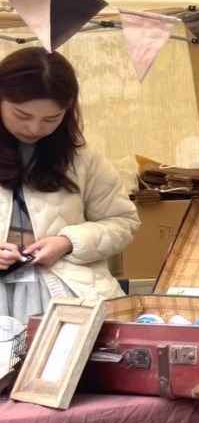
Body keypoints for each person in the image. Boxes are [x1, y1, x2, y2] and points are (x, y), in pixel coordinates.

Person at [0, 47, 139, 322]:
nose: (35, 128)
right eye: (22, 116)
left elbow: (123, 222)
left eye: (51, 119)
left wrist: (69, 242)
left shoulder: (82, 158)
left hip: (66, 292)